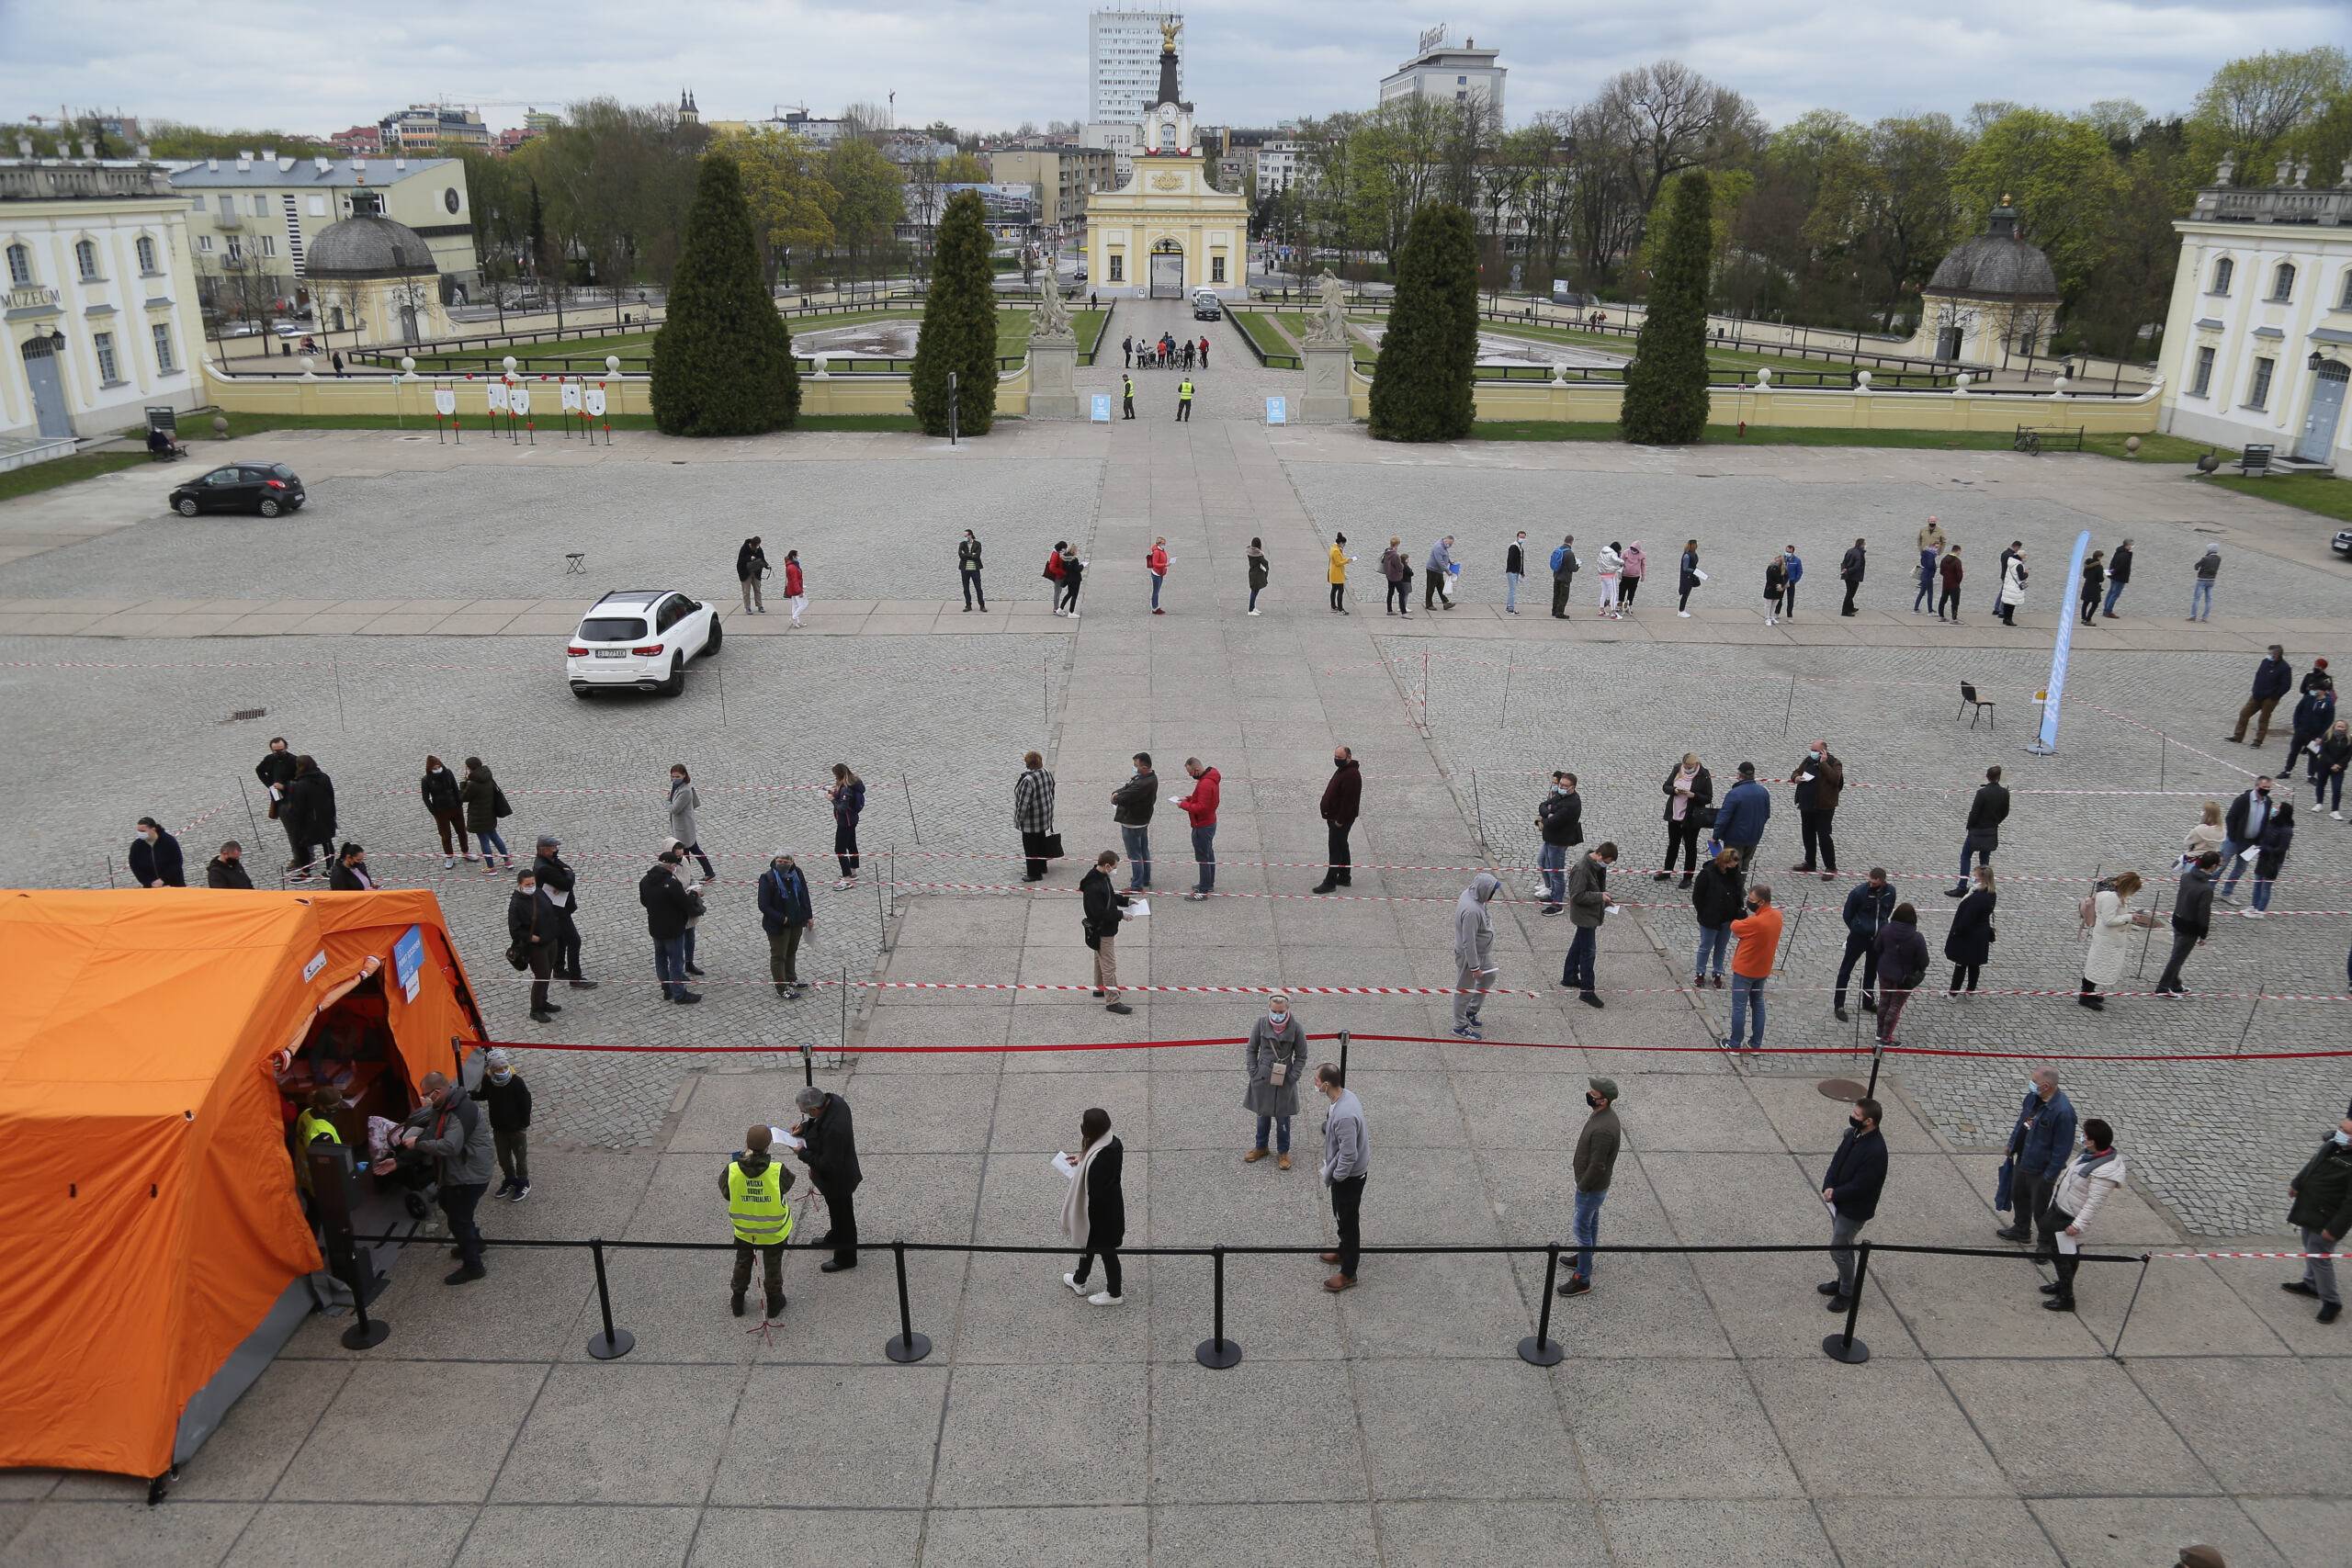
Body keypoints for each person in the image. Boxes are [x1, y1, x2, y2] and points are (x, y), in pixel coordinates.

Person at [398, 1070, 495, 1284]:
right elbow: (432, 1133)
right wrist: (399, 1161)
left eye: (426, 1094)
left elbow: (450, 1146)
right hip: (460, 1171)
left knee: (459, 1220)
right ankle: (474, 1243)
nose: (423, 1098)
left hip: (470, 1175)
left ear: (438, 1091)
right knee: (448, 1203)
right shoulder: (442, 1106)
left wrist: (418, 1143)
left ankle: (474, 1266)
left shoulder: (460, 1111)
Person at [2038, 1118, 2125, 1314]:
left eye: (2085, 1135)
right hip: (2062, 1209)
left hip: (2069, 1218)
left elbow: (2094, 1204)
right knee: (2067, 1255)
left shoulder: (2103, 1172)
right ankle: (2062, 1285)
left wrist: (2077, 1225)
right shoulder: (2089, 1156)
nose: (2082, 1137)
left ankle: (2066, 1298)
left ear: (2092, 1141)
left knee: (2062, 1257)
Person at [1820, 1097, 1889, 1311]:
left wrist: (1836, 1193)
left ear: (1869, 1121)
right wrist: (1829, 1184)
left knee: (1839, 1250)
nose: (1852, 1117)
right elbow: (1837, 1160)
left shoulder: (1876, 1151)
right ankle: (1843, 1281)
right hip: (1839, 1200)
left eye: (1857, 1115)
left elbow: (1862, 1185)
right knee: (1844, 1246)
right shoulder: (1854, 1134)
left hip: (1854, 1209)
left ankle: (1847, 1293)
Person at [1556, 1077, 1622, 1298]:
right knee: (1591, 1222)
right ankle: (1586, 1257)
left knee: (1581, 1228)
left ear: (1603, 1100)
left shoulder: (1604, 1129)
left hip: (1591, 1188)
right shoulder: (1604, 1116)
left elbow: (1598, 1165)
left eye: (1593, 1094)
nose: (1588, 1095)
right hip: (1594, 1187)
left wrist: (1582, 1186)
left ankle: (1582, 1278)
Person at [2284, 1114, 2352, 1324]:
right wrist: (2297, 1183)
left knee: (2320, 1256)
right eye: (2341, 1128)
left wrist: (2335, 1229)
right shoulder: (2332, 1145)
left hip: (2328, 1216)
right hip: (2311, 1207)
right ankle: (2311, 1284)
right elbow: (2313, 1164)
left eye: (2346, 1132)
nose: (2340, 1132)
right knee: (2309, 1245)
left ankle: (2331, 1302)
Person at [721, 1124, 794, 1319]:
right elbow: (787, 1186)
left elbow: (726, 1193)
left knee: (743, 1262)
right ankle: (774, 1302)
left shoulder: (732, 1169)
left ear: (747, 1144)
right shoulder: (777, 1170)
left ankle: (737, 1300)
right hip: (773, 1232)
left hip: (745, 1230)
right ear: (768, 1146)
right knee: (772, 1266)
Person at [1997, 1069, 2076, 1243]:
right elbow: (2022, 1121)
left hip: (2042, 1170)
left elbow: (2062, 1150)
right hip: (2024, 1160)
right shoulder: (2033, 1098)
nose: (2030, 1083)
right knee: (2018, 1196)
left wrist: (2049, 1176)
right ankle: (2021, 1229)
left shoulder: (2063, 1113)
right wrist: (2012, 1145)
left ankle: (2045, 1245)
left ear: (2045, 1086)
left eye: (2034, 1081)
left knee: (2040, 1209)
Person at [1059, 1107, 1126, 1305]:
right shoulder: (1113, 1143)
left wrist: (1082, 1172)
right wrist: (1081, 1162)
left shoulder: (1099, 1159)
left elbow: (1095, 1191)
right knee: (1089, 1246)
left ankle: (1115, 1293)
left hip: (1101, 1215)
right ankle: (1079, 1279)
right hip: (1110, 1210)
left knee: (1107, 1252)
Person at [792, 1084, 862, 1271]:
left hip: (839, 1180)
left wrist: (801, 1152)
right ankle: (835, 1237)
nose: (806, 1117)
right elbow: (818, 1124)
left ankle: (846, 1258)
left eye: (806, 1114)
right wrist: (805, 1128)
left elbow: (826, 1164)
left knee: (843, 1218)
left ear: (814, 1109)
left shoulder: (834, 1129)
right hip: (839, 1174)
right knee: (837, 1212)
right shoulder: (836, 1102)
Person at [1317, 1064, 1368, 1292]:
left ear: (1327, 1084)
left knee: (1347, 1220)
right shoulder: (1346, 1096)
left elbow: (1349, 1154)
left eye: (1317, 1081)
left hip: (1349, 1177)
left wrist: (1336, 1177)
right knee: (1343, 1217)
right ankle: (1343, 1250)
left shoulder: (1345, 1115)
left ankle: (1349, 1272)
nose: (1315, 1084)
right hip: (1347, 1173)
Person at [1244, 993, 1307, 1167]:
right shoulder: (1260, 1024)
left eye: (1280, 1011)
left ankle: (1283, 1152)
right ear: (1269, 1009)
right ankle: (1261, 1146)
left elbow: (1302, 1055)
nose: (1277, 1015)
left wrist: (1293, 1076)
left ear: (1287, 1010)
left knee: (1283, 1117)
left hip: (1285, 1078)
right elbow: (1251, 1049)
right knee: (1262, 1114)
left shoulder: (1296, 1028)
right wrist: (1253, 1071)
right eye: (1274, 1011)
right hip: (1263, 1077)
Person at [2077, 871, 2154, 1010]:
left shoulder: (2112, 892)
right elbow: (2109, 920)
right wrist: (2129, 917)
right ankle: (2085, 996)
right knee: (2096, 965)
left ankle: (2089, 992)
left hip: (2107, 937)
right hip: (2106, 937)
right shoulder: (2111, 897)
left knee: (2098, 964)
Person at [639, 849, 703, 1004]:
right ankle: (680, 994)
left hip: (655, 926)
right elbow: (685, 903)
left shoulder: (645, 880)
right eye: (675, 866)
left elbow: (644, 902)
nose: (675, 868)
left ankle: (667, 989)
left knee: (660, 958)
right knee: (676, 961)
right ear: (670, 866)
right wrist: (694, 895)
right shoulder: (671, 884)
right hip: (673, 929)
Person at [2154, 852, 2221, 996]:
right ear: (2213, 867)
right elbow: (2203, 914)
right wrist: (2203, 934)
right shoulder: (2206, 889)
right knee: (2177, 958)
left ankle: (2175, 983)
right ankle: (2163, 987)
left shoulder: (2186, 877)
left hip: (2178, 919)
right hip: (2190, 927)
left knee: (2177, 954)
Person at [1724, 883, 1782, 1051]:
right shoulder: (1777, 916)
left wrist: (1742, 918)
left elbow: (1735, 926)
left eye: (1751, 900)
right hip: (1763, 969)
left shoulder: (1756, 922)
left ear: (1762, 902)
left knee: (1739, 1007)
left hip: (1745, 970)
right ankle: (1755, 1044)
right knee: (1758, 1004)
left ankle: (1735, 1044)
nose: (1748, 902)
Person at [472, 1047, 534, 1201]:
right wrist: (470, 1095)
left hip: (517, 1129)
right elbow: (484, 1094)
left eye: (504, 1067)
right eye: (498, 1069)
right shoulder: (488, 1080)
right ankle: (510, 1179)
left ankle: (523, 1181)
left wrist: (523, 1124)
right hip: (499, 1128)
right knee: (503, 1157)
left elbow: (526, 1103)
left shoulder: (516, 1082)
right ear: (491, 1069)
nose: (502, 1071)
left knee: (520, 1157)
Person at [1832, 868, 1894, 1022]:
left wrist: (1881, 927)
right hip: (1858, 938)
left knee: (1871, 971)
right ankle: (1839, 1005)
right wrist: (1858, 928)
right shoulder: (1858, 893)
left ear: (1882, 880)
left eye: (1874, 882)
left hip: (1877, 938)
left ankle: (1868, 1001)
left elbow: (1888, 911)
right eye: (1870, 881)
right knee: (1845, 970)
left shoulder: (1890, 892)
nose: (1871, 884)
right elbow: (1847, 914)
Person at [1562, 843, 1617, 1009]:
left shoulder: (1596, 867)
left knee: (1578, 945)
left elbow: (1595, 888)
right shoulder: (1582, 869)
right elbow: (1577, 896)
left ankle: (1569, 976)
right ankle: (1587, 991)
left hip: (1590, 915)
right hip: (1585, 917)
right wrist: (1600, 897)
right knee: (1588, 953)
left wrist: (1603, 898)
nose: (1606, 865)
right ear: (1599, 855)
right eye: (1606, 862)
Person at [534, 835, 593, 990]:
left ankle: (559, 969)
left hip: (557, 909)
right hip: (558, 912)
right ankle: (576, 978)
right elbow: (566, 883)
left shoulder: (549, 861)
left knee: (561, 940)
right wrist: (569, 874)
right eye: (553, 848)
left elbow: (565, 868)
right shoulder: (544, 868)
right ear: (544, 850)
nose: (556, 850)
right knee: (574, 941)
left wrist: (567, 871)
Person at [1080, 850, 1133, 1014]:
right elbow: (1100, 913)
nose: (1115, 871)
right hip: (1103, 930)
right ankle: (1113, 1001)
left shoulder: (1100, 876)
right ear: (1107, 865)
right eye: (1115, 867)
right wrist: (1121, 914)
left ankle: (1100, 987)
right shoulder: (1094, 887)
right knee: (1109, 965)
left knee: (1099, 958)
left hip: (1100, 929)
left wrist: (1126, 901)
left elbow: (1109, 896)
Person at [1871, 903, 1928, 1045]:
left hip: (1884, 972)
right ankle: (1885, 1037)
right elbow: (1924, 961)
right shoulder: (1917, 937)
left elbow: (1877, 947)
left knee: (1884, 1001)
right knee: (1895, 1006)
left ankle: (1879, 1033)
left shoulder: (1885, 930)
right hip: (1904, 977)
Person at [1453, 872, 1500, 1037]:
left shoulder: (1472, 895)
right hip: (1471, 956)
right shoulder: (1472, 911)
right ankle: (1459, 1026)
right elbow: (1469, 942)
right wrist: (1474, 967)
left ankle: (1471, 1011)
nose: (1492, 897)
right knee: (1464, 990)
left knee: (1489, 977)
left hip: (1481, 952)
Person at [1950, 765, 2009, 895]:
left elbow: (1974, 813)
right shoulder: (2004, 793)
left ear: (1987, 777)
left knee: (1966, 856)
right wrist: (1995, 822)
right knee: (1985, 859)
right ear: (1999, 777)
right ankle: (1984, 885)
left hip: (1977, 830)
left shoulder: (1982, 793)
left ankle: (1962, 886)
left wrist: (1970, 826)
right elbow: (2005, 812)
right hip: (1991, 830)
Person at [1690, 846, 1744, 990]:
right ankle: (1700, 972)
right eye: (1732, 863)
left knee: (1721, 947)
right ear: (1724, 861)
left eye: (1736, 864)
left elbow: (1738, 893)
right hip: (1710, 918)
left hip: (1727, 918)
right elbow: (1697, 897)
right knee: (1705, 947)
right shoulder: (1707, 874)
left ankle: (1717, 973)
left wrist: (1739, 909)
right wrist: (1703, 913)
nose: (1734, 866)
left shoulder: (1734, 874)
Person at [2218, 776, 2278, 902]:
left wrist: (2260, 841)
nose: (2267, 790)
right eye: (2264, 787)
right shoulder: (2243, 800)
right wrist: (2233, 836)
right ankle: (2209, 889)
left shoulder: (2268, 802)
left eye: (2269, 787)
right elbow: (2230, 818)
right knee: (2221, 865)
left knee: (2240, 869)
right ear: (2257, 786)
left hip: (2252, 843)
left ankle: (2227, 893)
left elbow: (2265, 821)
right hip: (2234, 840)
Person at [1790, 739, 1844, 880]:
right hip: (1807, 805)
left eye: (1815, 751)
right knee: (1807, 834)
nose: (1812, 753)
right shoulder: (1808, 760)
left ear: (1824, 751)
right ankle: (1810, 862)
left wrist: (1823, 763)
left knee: (1824, 837)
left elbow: (1835, 779)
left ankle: (1831, 867)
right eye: (1812, 750)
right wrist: (1796, 778)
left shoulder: (1834, 763)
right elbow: (1797, 771)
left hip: (1824, 807)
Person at [1657, 752, 1713, 886]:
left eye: (1690, 766)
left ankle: (1688, 877)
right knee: (1673, 845)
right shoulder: (1677, 768)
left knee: (1690, 847)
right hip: (1675, 814)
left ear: (1696, 764)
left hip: (1692, 817)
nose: (1687, 768)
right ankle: (1667, 871)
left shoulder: (1703, 774)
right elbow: (1666, 787)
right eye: (1686, 765)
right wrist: (1675, 790)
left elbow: (1708, 797)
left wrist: (1693, 795)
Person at [509, 866, 556, 1022]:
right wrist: (533, 938)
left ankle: (543, 1001)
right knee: (541, 976)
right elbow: (515, 931)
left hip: (550, 940)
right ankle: (536, 1009)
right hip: (536, 947)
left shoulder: (538, 892)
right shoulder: (516, 904)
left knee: (547, 973)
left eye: (533, 883)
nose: (531, 887)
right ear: (520, 885)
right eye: (528, 885)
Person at [1314, 745, 1361, 894]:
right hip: (1337, 817)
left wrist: (1339, 821)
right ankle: (1345, 876)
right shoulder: (1344, 770)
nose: (1336, 760)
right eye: (1335, 757)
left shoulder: (1351, 775)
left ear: (1349, 757)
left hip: (1340, 819)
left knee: (1335, 849)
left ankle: (1330, 882)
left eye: (1340, 758)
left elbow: (1349, 802)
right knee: (1342, 845)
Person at [1535, 771, 1583, 914]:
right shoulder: (1560, 795)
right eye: (1560, 784)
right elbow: (1543, 805)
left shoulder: (1571, 803)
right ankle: (1552, 894)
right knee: (1543, 862)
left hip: (1558, 841)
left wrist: (1546, 816)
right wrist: (1548, 813)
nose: (1560, 786)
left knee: (1556, 872)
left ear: (1572, 787)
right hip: (1550, 838)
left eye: (1564, 785)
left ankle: (1557, 904)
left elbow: (1552, 822)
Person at [659, 835, 707, 977]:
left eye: (680, 851)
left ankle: (689, 963)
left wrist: (695, 887)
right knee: (677, 944)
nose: (679, 856)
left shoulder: (684, 861)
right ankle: (678, 971)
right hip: (677, 910)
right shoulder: (666, 869)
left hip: (689, 904)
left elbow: (690, 877)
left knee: (690, 937)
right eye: (676, 853)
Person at [1945, 864, 1996, 996]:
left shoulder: (1977, 898)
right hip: (1981, 934)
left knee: (1961, 965)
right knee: (1975, 964)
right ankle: (1971, 991)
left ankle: (1953, 993)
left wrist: (1957, 931)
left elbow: (1968, 919)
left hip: (1969, 936)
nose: (1973, 877)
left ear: (1982, 879)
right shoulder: (1991, 893)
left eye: (1975, 875)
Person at [1111, 752, 1158, 891]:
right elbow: (1127, 787)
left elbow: (1126, 796)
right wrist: (1118, 793)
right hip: (1143, 820)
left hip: (1133, 822)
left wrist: (1115, 797)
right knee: (1143, 850)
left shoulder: (1142, 783)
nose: (1134, 768)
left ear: (1144, 767)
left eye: (1136, 766)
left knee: (1134, 854)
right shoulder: (1149, 777)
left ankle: (1137, 884)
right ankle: (1145, 877)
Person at [2230, 645, 2293, 745]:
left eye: (2270, 653)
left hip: (2269, 699)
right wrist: (2255, 690)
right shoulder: (2265, 662)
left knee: (2263, 719)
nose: (2268, 655)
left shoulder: (2284, 668)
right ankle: (2238, 736)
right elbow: (2258, 675)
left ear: (2276, 654)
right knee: (2244, 713)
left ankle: (2258, 740)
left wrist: (2274, 696)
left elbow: (2286, 686)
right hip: (2257, 694)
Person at [256, 736, 301, 874]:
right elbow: (259, 770)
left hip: (295, 798)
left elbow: (300, 780)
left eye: (280, 750)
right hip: (279, 800)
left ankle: (304, 856)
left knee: (300, 830)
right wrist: (270, 785)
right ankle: (298, 857)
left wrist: (285, 786)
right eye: (275, 751)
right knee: (291, 832)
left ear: (286, 747)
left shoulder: (294, 760)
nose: (278, 753)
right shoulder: (269, 759)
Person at [660, 764, 713, 882]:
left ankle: (690, 876)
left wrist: (666, 800)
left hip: (684, 828)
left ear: (684, 775)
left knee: (687, 852)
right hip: (681, 826)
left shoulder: (685, 791)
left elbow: (674, 809)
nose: (674, 779)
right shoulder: (676, 786)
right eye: (672, 776)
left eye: (677, 776)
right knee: (692, 850)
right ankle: (706, 873)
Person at [1177, 757, 1220, 900]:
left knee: (1203, 858)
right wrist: (1189, 798)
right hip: (1209, 822)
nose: (1190, 776)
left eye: (1190, 773)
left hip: (1202, 825)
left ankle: (1203, 891)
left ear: (1196, 770)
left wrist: (1183, 805)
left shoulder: (1204, 784)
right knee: (1208, 853)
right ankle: (1208, 883)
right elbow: (1203, 799)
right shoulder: (1209, 779)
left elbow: (1201, 807)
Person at [461, 757, 512, 873]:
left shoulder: (473, 784)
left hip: (478, 817)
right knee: (495, 837)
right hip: (490, 814)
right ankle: (507, 861)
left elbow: (463, 797)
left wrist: (463, 783)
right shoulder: (488, 777)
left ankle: (491, 867)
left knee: (484, 841)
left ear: (469, 768)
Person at [2246, 797, 2295, 918]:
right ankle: (2253, 906)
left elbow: (2282, 849)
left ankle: (2260, 911)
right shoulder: (2271, 822)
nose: (2275, 809)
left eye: (2278, 808)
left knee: (2265, 886)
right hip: (2263, 857)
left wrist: (2266, 849)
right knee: (2257, 882)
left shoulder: (2286, 830)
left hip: (2273, 861)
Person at [1714, 761, 1770, 865]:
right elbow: (1766, 815)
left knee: (1731, 867)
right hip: (1754, 838)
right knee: (1745, 867)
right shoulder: (1763, 792)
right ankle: (1740, 882)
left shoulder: (1734, 794)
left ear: (1739, 775)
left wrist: (1715, 836)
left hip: (1734, 839)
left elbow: (1723, 818)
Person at [2282, 676, 2336, 778]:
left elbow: (2328, 723)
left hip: (2314, 735)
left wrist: (2320, 737)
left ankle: (2311, 775)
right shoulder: (2307, 699)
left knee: (2313, 755)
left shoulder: (2329, 705)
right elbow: (2298, 711)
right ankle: (2287, 771)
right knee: (2293, 752)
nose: (2313, 691)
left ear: (2323, 691)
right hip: (2301, 731)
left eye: (2316, 690)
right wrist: (2297, 727)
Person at [1015, 750, 1057, 882]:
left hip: (1032, 820)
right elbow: (1052, 789)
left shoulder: (1028, 780)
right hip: (1044, 815)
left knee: (1030, 846)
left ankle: (1034, 873)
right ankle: (1042, 866)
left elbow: (1023, 804)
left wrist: (1019, 820)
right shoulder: (1046, 772)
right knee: (1040, 841)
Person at [828, 763, 865, 889]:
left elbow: (842, 808)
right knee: (851, 844)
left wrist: (832, 799)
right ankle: (853, 871)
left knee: (839, 850)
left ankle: (847, 878)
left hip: (845, 822)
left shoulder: (846, 789)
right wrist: (835, 792)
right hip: (852, 820)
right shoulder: (853, 782)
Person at [2312, 719, 2352, 819]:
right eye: (2339, 726)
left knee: (2337, 789)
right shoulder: (2327, 736)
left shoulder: (2349, 739)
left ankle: (2335, 810)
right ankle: (2319, 803)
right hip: (2324, 765)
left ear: (2346, 728)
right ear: (2334, 727)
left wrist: (2339, 765)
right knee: (2321, 784)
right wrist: (2332, 764)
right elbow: (2323, 752)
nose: (2341, 728)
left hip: (2339, 768)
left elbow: (2348, 755)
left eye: (2343, 727)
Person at [130, 818, 185, 888]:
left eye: (143, 831)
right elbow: (135, 866)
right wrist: (149, 883)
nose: (140, 833)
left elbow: (177, 863)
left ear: (153, 829)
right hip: (151, 886)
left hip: (174, 884)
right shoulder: (136, 846)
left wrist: (163, 880)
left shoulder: (169, 841)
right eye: (138, 831)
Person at [1913, 516, 1946, 613]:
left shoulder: (1940, 531)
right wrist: (1921, 549)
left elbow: (1943, 542)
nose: (1932, 523)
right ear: (1928, 522)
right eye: (1931, 521)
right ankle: (1929, 610)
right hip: (1925, 555)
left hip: (1932, 554)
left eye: (1934, 521)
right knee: (1929, 591)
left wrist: (1939, 552)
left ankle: (1917, 608)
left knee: (1923, 592)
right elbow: (1918, 540)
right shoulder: (1923, 530)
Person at [2182, 799, 2226, 867]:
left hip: (2194, 859)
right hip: (2210, 861)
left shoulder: (2200, 829)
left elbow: (2186, 842)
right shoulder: (2222, 830)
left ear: (2206, 814)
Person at [737, 535, 770, 615]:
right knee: (746, 591)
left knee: (757, 590)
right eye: (757, 545)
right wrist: (749, 558)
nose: (758, 546)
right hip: (745, 573)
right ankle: (747, 607)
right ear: (753, 544)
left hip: (756, 572)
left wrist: (766, 565)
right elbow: (741, 560)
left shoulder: (759, 549)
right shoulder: (744, 548)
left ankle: (759, 606)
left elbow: (762, 559)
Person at [1424, 534, 1457, 611]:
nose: (1450, 546)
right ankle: (1428, 605)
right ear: (1446, 540)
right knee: (1431, 587)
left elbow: (1444, 556)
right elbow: (1440, 561)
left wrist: (1449, 562)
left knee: (1441, 586)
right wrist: (1447, 570)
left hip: (1438, 570)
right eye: (1450, 544)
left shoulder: (1444, 546)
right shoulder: (1438, 547)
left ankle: (1445, 603)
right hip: (1433, 570)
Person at [2101, 537, 2132, 616]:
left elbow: (2113, 562)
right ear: (2127, 545)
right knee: (2115, 594)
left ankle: (2106, 609)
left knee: (2111, 592)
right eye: (2131, 545)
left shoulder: (2118, 551)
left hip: (2113, 576)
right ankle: (2108, 611)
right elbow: (2121, 567)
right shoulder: (2125, 555)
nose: (2131, 546)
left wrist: (2111, 573)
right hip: (2120, 577)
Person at [1549, 535, 1578, 618]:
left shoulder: (1558, 550)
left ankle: (1554, 611)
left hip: (1556, 575)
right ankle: (1560, 613)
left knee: (1556, 594)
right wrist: (1578, 566)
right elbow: (1572, 568)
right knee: (1564, 596)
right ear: (1572, 542)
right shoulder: (1570, 553)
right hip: (1565, 578)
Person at [1997, 547, 2028, 626]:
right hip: (2014, 588)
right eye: (2025, 557)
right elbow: (2021, 577)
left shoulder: (2011, 562)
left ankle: (2005, 619)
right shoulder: (2019, 565)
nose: (2025, 558)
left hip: (2008, 586)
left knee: (2007, 604)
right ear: (2022, 557)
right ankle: (2009, 620)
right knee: (2011, 605)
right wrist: (2026, 573)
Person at [1383, 536, 1413, 616]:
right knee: (1402, 593)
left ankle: (1389, 610)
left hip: (1389, 576)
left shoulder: (1387, 551)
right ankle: (1404, 612)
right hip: (1396, 577)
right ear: (1397, 544)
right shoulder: (1395, 555)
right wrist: (1403, 566)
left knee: (1390, 592)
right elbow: (1400, 567)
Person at [2190, 541, 2220, 620]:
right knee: (2208, 599)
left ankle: (2193, 616)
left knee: (2196, 598)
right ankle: (2205, 617)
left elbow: (2196, 566)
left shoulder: (2205, 558)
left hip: (2202, 579)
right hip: (2212, 580)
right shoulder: (2218, 559)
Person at [958, 529, 986, 610]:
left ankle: (982, 605)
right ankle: (968, 605)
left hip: (975, 569)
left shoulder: (977, 544)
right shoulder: (962, 544)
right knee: (966, 588)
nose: (965, 537)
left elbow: (977, 556)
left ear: (970, 535)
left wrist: (966, 555)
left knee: (978, 588)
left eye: (966, 536)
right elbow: (961, 555)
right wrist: (971, 555)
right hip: (965, 569)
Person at [1838, 536, 1866, 616]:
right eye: (1864, 544)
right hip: (1854, 576)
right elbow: (1857, 566)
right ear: (1862, 545)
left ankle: (1851, 607)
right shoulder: (1859, 554)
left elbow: (1844, 562)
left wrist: (1844, 570)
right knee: (1850, 593)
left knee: (1849, 591)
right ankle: (1845, 611)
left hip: (1846, 576)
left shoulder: (1850, 550)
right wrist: (1848, 571)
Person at [1993, 540, 2022, 615]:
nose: (2018, 550)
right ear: (2016, 547)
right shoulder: (2011, 556)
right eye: (2018, 548)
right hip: (2008, 577)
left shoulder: (2004, 553)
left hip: (2003, 575)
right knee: (2006, 594)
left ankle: (1996, 608)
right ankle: (2002, 611)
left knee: (2002, 592)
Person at [1056, 543, 1085, 616]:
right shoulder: (1074, 559)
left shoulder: (1065, 557)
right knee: (1074, 596)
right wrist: (1082, 565)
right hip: (1075, 580)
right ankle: (1071, 613)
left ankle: (1060, 609)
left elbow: (1065, 568)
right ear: (1074, 550)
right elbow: (1077, 569)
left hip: (1068, 579)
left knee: (1069, 594)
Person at [1595, 540, 1623, 616]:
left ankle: (1601, 610)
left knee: (1604, 593)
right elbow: (1618, 562)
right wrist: (1621, 562)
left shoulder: (1603, 552)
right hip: (1610, 576)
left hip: (1602, 575)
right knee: (1613, 594)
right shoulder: (1613, 553)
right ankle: (1613, 613)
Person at [1937, 546, 1963, 621]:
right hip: (1954, 584)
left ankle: (1941, 615)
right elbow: (1959, 575)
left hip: (1945, 583)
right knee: (1955, 602)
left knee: (1943, 599)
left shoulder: (1944, 559)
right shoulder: (1957, 561)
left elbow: (1941, 572)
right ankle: (1954, 618)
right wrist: (1957, 582)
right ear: (1958, 551)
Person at [2077, 550, 2104, 625]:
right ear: (2099, 557)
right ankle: (2088, 619)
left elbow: (2084, 575)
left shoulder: (2087, 563)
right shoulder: (2099, 567)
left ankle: (2083, 618)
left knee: (2085, 602)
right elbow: (2100, 579)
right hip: (2094, 587)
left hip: (2087, 584)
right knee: (2095, 603)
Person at [1328, 533, 1352, 614]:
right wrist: (1347, 561)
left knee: (1334, 589)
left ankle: (1334, 606)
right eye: (1344, 544)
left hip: (1334, 573)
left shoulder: (1335, 548)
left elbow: (1339, 558)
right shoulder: (1336, 551)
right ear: (1341, 543)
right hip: (1337, 574)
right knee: (1340, 590)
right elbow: (1338, 563)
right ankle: (1340, 609)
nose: (1344, 545)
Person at [1618, 540, 1646, 609]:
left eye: (1635, 549)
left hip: (1635, 577)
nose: (1633, 550)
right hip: (1625, 576)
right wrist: (1619, 573)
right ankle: (1620, 605)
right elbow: (1621, 563)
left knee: (1632, 592)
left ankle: (1629, 605)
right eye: (1632, 548)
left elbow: (1643, 565)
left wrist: (1643, 575)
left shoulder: (1642, 555)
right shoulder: (1626, 552)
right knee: (1622, 591)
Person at [1147, 536, 1171, 613]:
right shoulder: (1157, 552)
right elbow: (1155, 564)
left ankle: (1156, 606)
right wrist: (1165, 565)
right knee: (1156, 591)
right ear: (1160, 543)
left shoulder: (1160, 550)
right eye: (1163, 542)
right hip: (1157, 573)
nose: (1165, 543)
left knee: (1157, 590)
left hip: (1160, 573)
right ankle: (1155, 607)